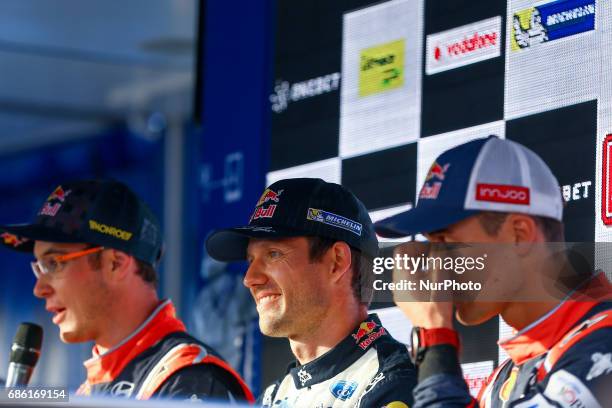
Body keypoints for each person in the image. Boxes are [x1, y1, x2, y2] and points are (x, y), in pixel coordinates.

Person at [375, 136, 611, 407]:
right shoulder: (502, 381)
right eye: (431, 245)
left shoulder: (604, 343)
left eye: (446, 242)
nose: (436, 266)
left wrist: (434, 332)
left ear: (519, 235)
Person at [0, 180, 254, 402]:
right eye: (38, 268)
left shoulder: (189, 379)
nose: (39, 289)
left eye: (53, 263)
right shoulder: (90, 389)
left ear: (116, 263)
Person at [206, 178, 416, 407]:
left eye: (273, 254)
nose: (249, 279)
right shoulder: (272, 398)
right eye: (250, 260)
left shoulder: (395, 383)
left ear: (336, 262)